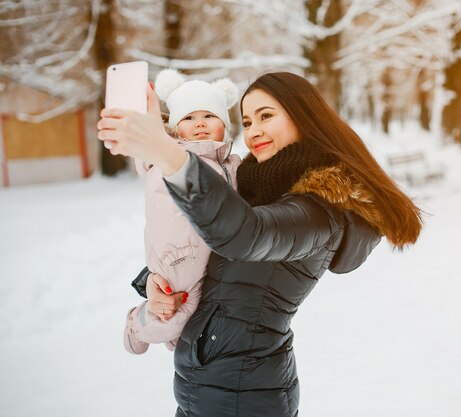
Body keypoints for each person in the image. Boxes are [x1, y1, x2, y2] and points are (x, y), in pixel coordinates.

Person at [97, 72, 423, 417]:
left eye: (267, 116)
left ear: (303, 116)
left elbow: (244, 236)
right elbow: (202, 250)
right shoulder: (256, 188)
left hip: (246, 398)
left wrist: (168, 153)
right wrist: (151, 280)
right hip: (208, 391)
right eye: (248, 120)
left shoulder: (318, 209)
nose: (253, 132)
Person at [124, 69, 241, 354]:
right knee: (171, 314)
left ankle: (172, 339)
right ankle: (136, 324)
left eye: (209, 116)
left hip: (206, 257)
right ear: (176, 127)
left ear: (225, 125)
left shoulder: (233, 165)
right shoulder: (171, 154)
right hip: (175, 256)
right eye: (189, 118)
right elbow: (149, 145)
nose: (200, 124)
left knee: (190, 317)